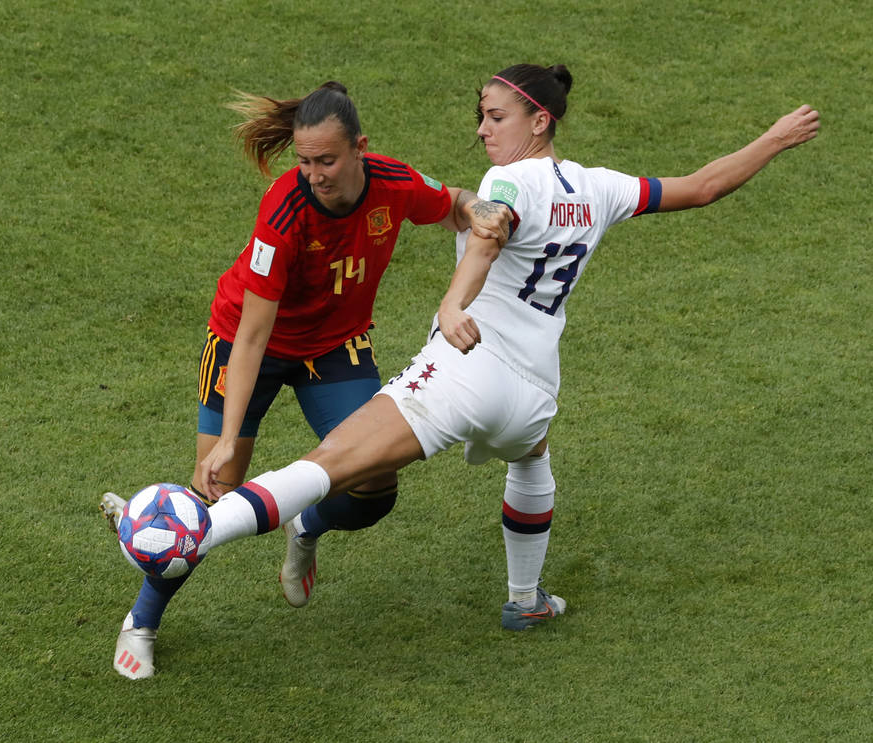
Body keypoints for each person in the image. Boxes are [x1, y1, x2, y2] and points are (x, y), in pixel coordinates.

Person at [103, 64, 820, 678]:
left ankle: (232, 527)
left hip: (433, 365)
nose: (482, 130)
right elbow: (699, 186)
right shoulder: (598, 187)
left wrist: (455, 294)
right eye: (481, 116)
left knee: (343, 474)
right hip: (516, 390)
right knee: (527, 462)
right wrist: (776, 138)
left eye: (495, 115)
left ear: (539, 119)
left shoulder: (505, 182)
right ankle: (525, 597)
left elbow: (483, 225)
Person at [101, 80, 511, 679]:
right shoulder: (286, 208)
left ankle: (306, 522)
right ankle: (142, 621)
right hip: (250, 344)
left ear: (359, 149)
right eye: (304, 161)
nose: (314, 173)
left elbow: (449, 202)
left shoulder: (392, 184)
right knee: (211, 495)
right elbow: (252, 336)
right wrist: (228, 439)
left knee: (375, 489)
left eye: (326, 160)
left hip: (333, 347)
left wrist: (481, 209)